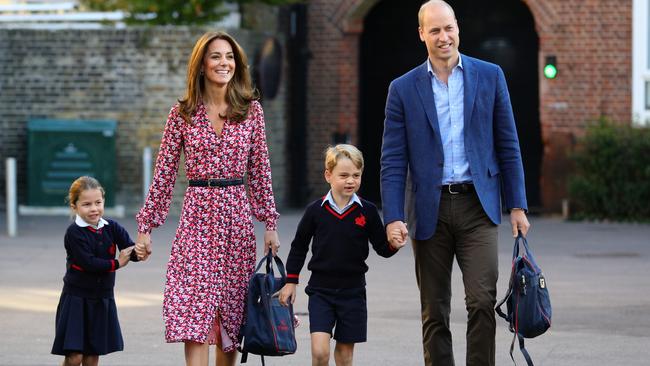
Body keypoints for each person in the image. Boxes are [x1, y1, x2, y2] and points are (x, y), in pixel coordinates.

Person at [380, 1, 531, 365]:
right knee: (434, 310)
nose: (443, 36)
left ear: (457, 28)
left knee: (481, 300)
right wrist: (393, 216)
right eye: (434, 30)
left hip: (477, 205)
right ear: (422, 34)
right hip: (427, 208)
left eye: (448, 28)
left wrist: (518, 205)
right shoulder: (402, 89)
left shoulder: (490, 76)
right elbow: (393, 160)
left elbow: (508, 144)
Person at [133, 31, 280, 366]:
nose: (223, 63)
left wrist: (269, 223)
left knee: (230, 314)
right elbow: (164, 175)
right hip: (197, 217)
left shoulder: (251, 112)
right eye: (215, 56)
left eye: (229, 57)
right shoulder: (182, 113)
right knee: (193, 312)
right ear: (201, 64)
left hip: (236, 219)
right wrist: (146, 226)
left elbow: (260, 171)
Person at [278, 144, 405, 366]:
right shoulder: (315, 211)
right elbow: (299, 247)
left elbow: (381, 249)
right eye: (344, 175)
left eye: (356, 175)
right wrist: (291, 282)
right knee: (319, 352)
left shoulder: (367, 211)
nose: (350, 181)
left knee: (345, 357)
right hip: (321, 291)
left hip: (353, 292)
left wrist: (394, 244)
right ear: (328, 175)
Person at [51, 176, 138, 366]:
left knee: (92, 356)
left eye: (98, 203)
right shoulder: (74, 233)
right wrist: (117, 263)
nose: (94, 209)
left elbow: (130, 249)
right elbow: (89, 263)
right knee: (74, 357)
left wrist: (140, 251)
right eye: (86, 204)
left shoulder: (112, 227)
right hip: (76, 298)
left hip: (102, 298)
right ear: (74, 206)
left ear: (103, 201)